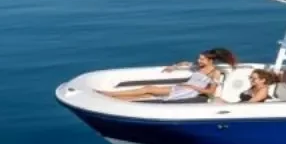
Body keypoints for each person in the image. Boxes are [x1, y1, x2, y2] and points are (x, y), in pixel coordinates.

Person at [98, 48, 238, 102]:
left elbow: (211, 91)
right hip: (182, 88)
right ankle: (118, 99)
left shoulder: (215, 73)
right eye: (199, 58)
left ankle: (109, 94)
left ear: (210, 60)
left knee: (148, 88)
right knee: (149, 95)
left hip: (188, 91)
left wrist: (192, 87)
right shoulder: (197, 66)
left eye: (202, 59)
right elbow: (185, 63)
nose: (198, 60)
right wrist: (174, 67)